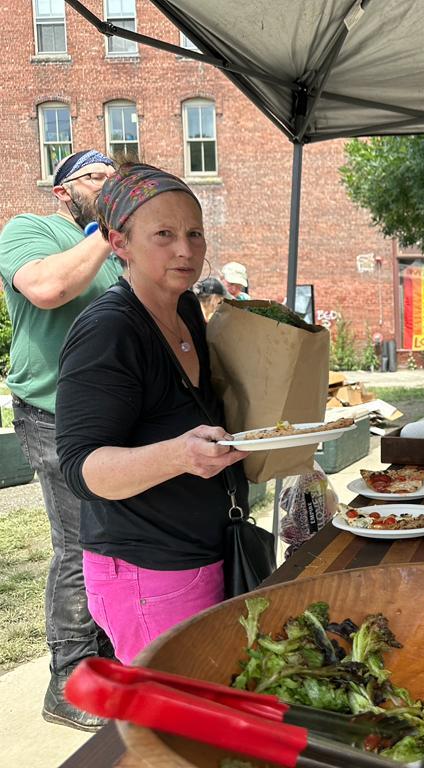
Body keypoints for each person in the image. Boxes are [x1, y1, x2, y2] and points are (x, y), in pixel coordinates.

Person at [55, 163, 248, 665]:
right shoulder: (109, 330)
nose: (185, 250)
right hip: (148, 574)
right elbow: (82, 468)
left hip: (206, 554)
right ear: (120, 243)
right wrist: (180, 455)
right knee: (172, 724)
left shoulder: (184, 308)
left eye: (194, 233)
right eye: (163, 234)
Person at [0, 149, 121, 731]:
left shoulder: (116, 251)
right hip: (53, 414)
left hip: (116, 419)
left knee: (118, 541)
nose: (108, 184)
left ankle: (109, 660)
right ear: (62, 190)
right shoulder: (30, 230)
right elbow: (48, 289)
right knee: (79, 545)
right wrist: (108, 231)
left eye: (114, 178)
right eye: (96, 177)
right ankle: (68, 681)